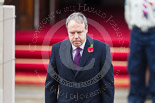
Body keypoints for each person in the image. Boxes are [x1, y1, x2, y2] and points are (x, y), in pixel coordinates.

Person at [45, 12, 114, 103]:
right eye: (72, 33)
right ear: (67, 31)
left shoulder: (102, 49)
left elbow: (107, 85)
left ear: (86, 29)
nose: (76, 36)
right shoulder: (57, 49)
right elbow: (51, 84)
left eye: (79, 32)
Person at [125, 0, 155, 103]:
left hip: (153, 31)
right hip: (137, 32)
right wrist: (133, 25)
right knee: (135, 67)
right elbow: (128, 10)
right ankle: (135, 99)